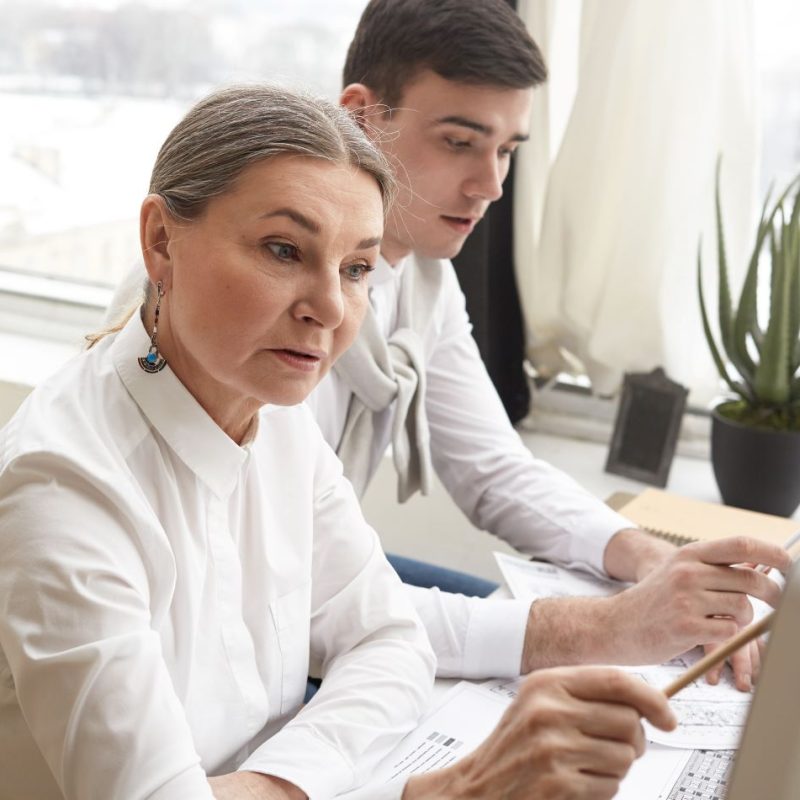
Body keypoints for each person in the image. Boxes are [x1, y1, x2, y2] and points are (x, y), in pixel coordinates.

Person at [0, 83, 678, 800]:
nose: (329, 308)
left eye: (356, 269)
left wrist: (281, 780)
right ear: (161, 242)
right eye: (284, 249)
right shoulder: (63, 489)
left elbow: (390, 639)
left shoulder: (277, 413)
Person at [105, 0, 790, 692]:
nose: (489, 186)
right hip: (217, 636)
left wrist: (647, 558)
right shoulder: (235, 308)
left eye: (507, 151)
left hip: (315, 578)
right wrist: (605, 630)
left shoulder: (424, 277)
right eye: (460, 142)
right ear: (362, 116)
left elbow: (491, 468)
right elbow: (294, 604)